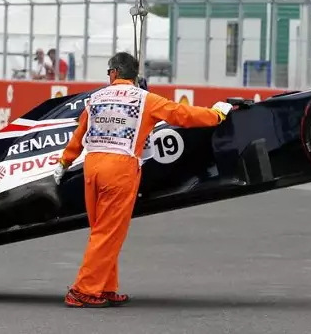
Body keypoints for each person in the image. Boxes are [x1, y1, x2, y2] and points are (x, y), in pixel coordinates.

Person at [51, 51, 233, 308]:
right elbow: (183, 114)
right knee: (108, 232)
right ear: (134, 75)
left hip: (92, 169)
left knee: (102, 231)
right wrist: (216, 115)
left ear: (114, 73)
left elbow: (79, 135)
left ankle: (104, 287)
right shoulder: (145, 99)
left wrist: (64, 163)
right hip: (119, 168)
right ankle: (83, 290)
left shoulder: (96, 98)